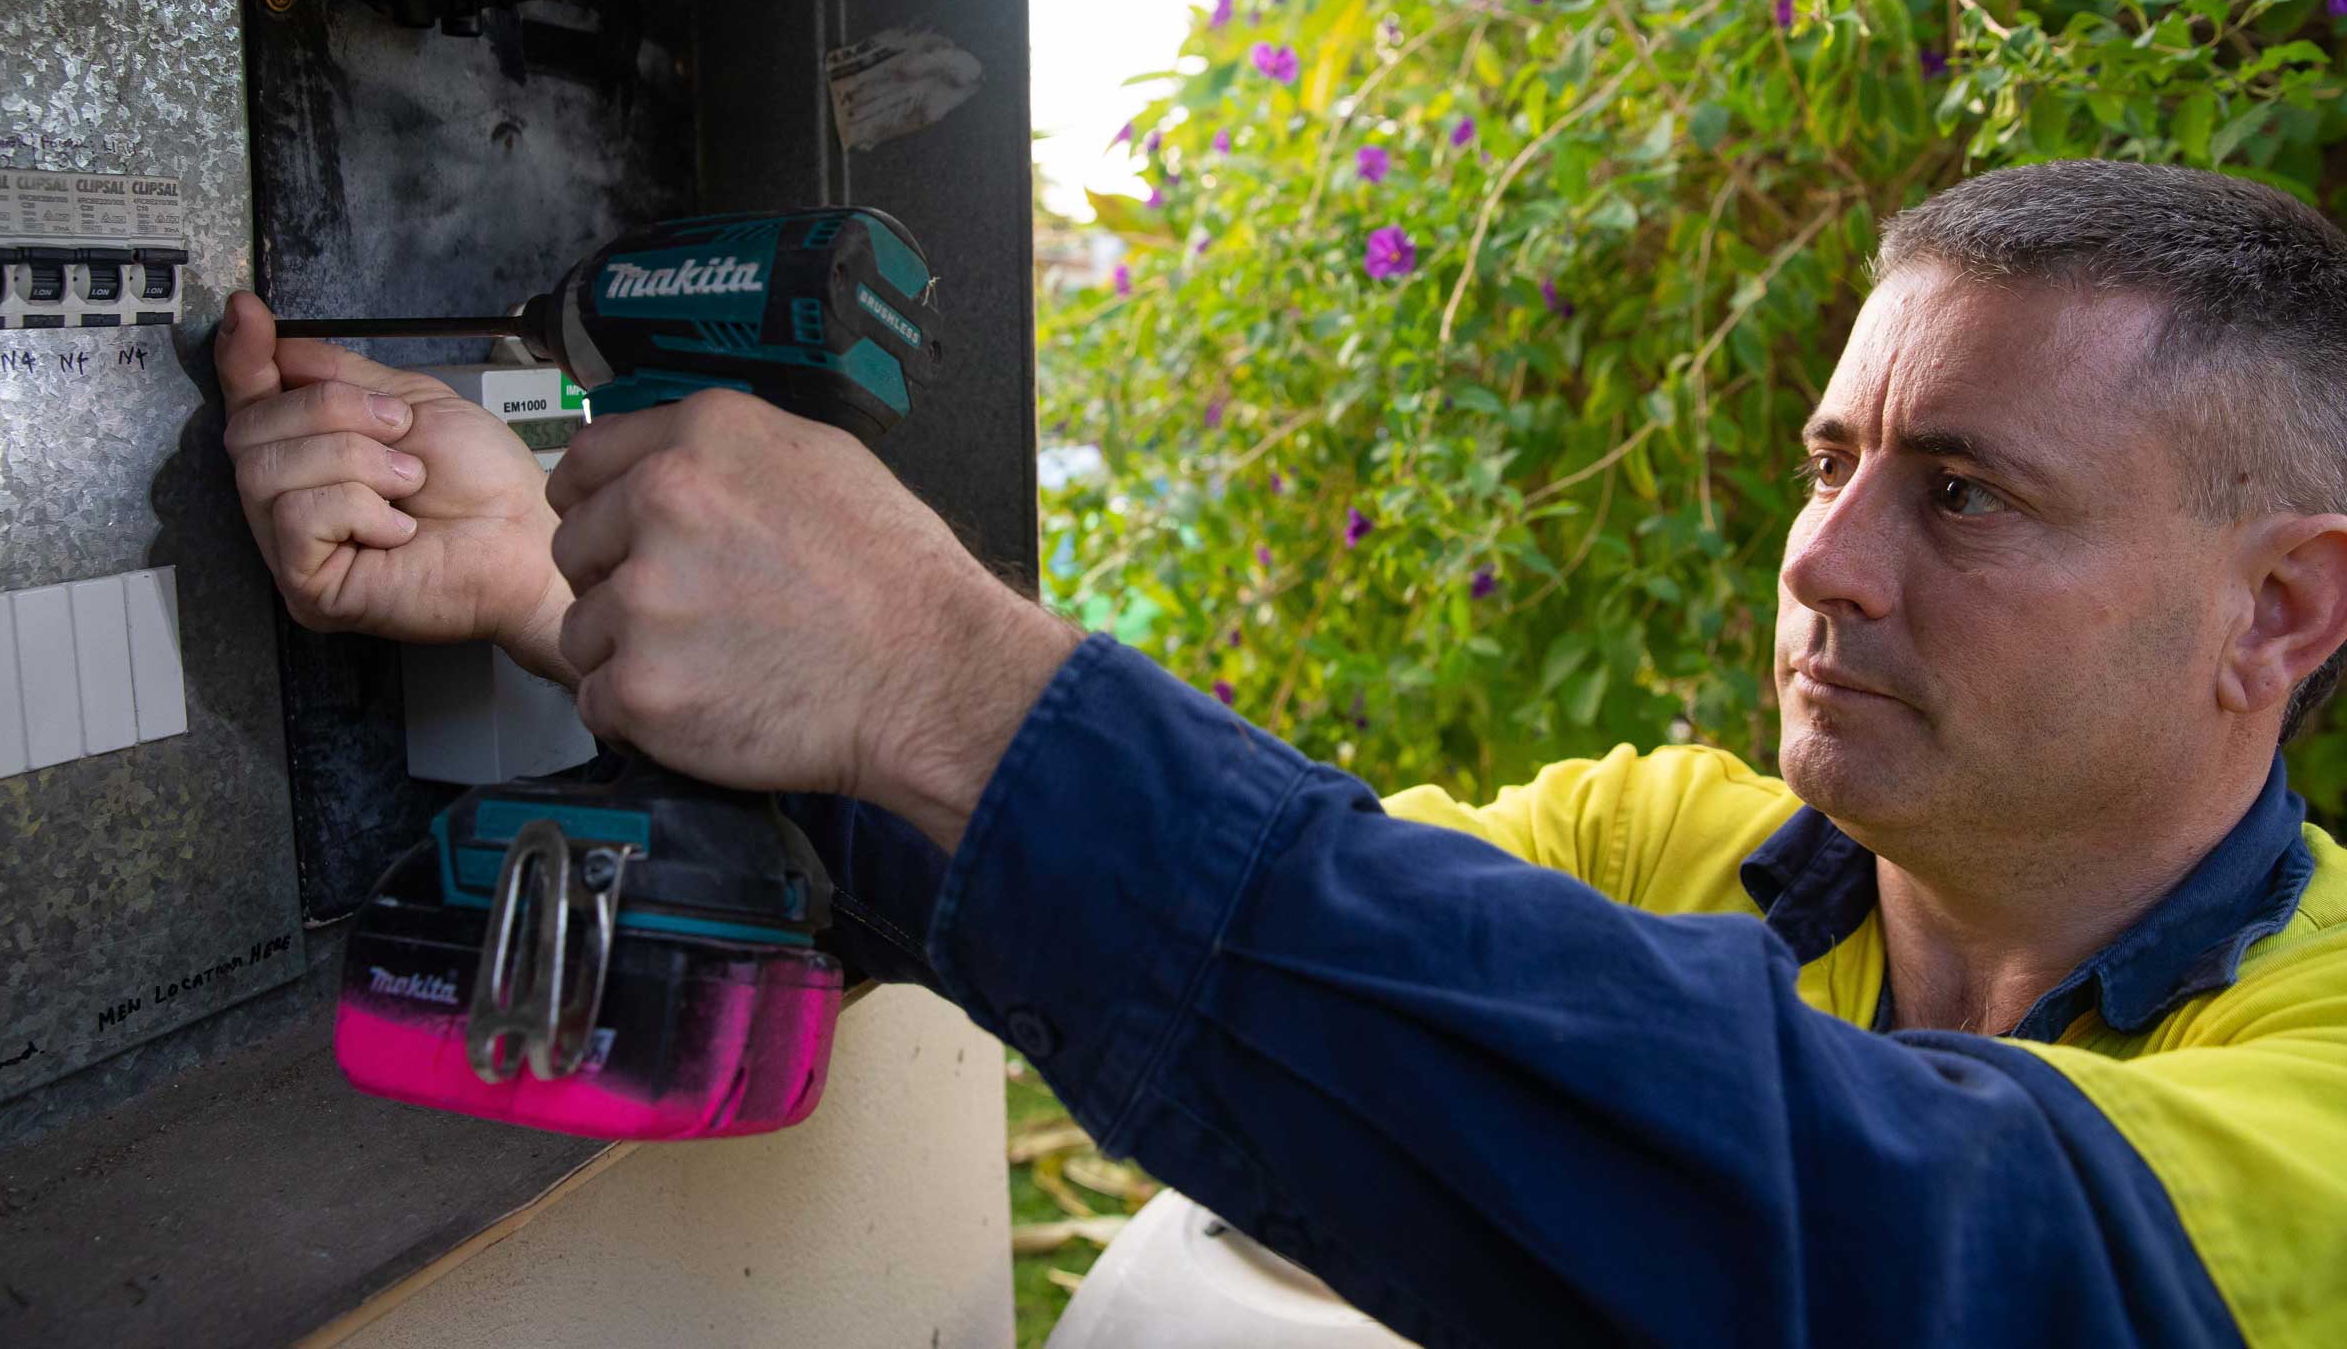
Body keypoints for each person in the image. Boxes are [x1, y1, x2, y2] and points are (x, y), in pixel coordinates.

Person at [217, 160, 2347, 1348]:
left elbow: (1903, 1238)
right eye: (1827, 457)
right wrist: (550, 582)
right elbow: (1259, 943)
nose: (1822, 554)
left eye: (1957, 491)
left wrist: (956, 675)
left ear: (2275, 610)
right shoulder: (1682, 843)